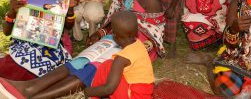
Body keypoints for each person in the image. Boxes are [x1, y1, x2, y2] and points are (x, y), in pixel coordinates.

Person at [0, 11, 155, 99]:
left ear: (116, 35)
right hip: (136, 86)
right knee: (86, 62)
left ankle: (33, 96)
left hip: (134, 94)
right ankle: (30, 88)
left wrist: (88, 92)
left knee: (102, 66)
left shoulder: (123, 57)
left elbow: (109, 88)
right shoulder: (136, 44)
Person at [0, 0, 80, 81]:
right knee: (12, 67)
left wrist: (70, 9)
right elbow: (6, 32)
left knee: (27, 69)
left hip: (49, 45)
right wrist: (12, 11)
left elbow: (68, 27)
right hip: (23, 43)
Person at [87, 0, 165, 62]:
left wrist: (144, 47)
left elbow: (157, 32)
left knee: (116, 60)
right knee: (97, 51)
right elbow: (114, 19)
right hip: (119, 36)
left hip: (142, 42)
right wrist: (100, 33)